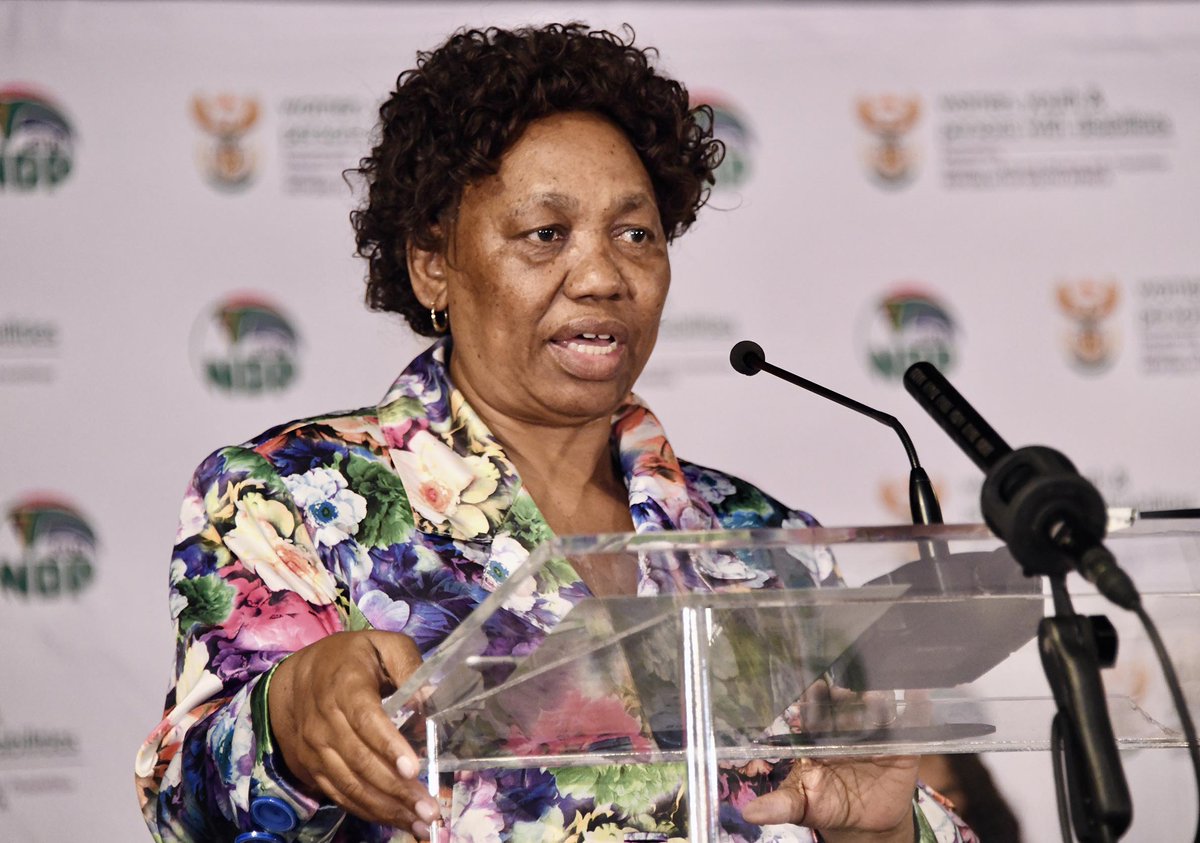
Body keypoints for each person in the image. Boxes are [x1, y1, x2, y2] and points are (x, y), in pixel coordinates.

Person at [135, 23, 976, 843]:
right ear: (433, 263)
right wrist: (285, 714)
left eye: (635, 233)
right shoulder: (292, 495)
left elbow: (883, 802)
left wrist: (885, 832)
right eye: (547, 235)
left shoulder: (767, 544)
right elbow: (186, 806)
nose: (603, 274)